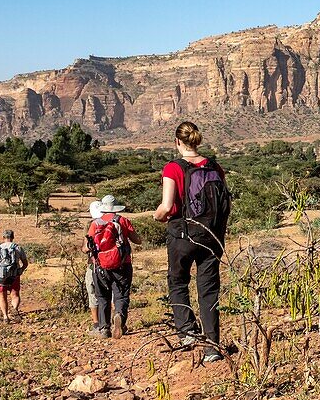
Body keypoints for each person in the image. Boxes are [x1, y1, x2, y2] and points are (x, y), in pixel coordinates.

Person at [154, 121, 231, 362]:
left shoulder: (173, 168)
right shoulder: (214, 166)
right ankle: (212, 347)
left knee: (177, 282)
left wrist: (157, 216)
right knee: (209, 290)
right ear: (197, 140)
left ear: (177, 142)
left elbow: (167, 206)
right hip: (212, 235)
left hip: (183, 234)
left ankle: (187, 332)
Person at [87, 195, 141, 339]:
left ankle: (104, 329)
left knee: (102, 296)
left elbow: (85, 247)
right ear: (116, 208)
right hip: (122, 264)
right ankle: (119, 316)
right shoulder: (122, 220)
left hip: (100, 266)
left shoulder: (95, 223)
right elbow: (138, 240)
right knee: (121, 295)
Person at [0, 229, 28, 322]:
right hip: (14, 275)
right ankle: (15, 309)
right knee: (15, 294)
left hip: (0, 277)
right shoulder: (18, 248)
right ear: (13, 237)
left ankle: (5, 317)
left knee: (2, 296)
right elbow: (25, 263)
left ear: (3, 238)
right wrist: (20, 270)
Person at [82, 201, 104, 331]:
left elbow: (85, 248)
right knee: (111, 293)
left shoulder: (90, 224)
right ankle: (113, 319)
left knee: (92, 292)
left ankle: (96, 323)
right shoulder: (113, 221)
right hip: (112, 264)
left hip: (94, 264)